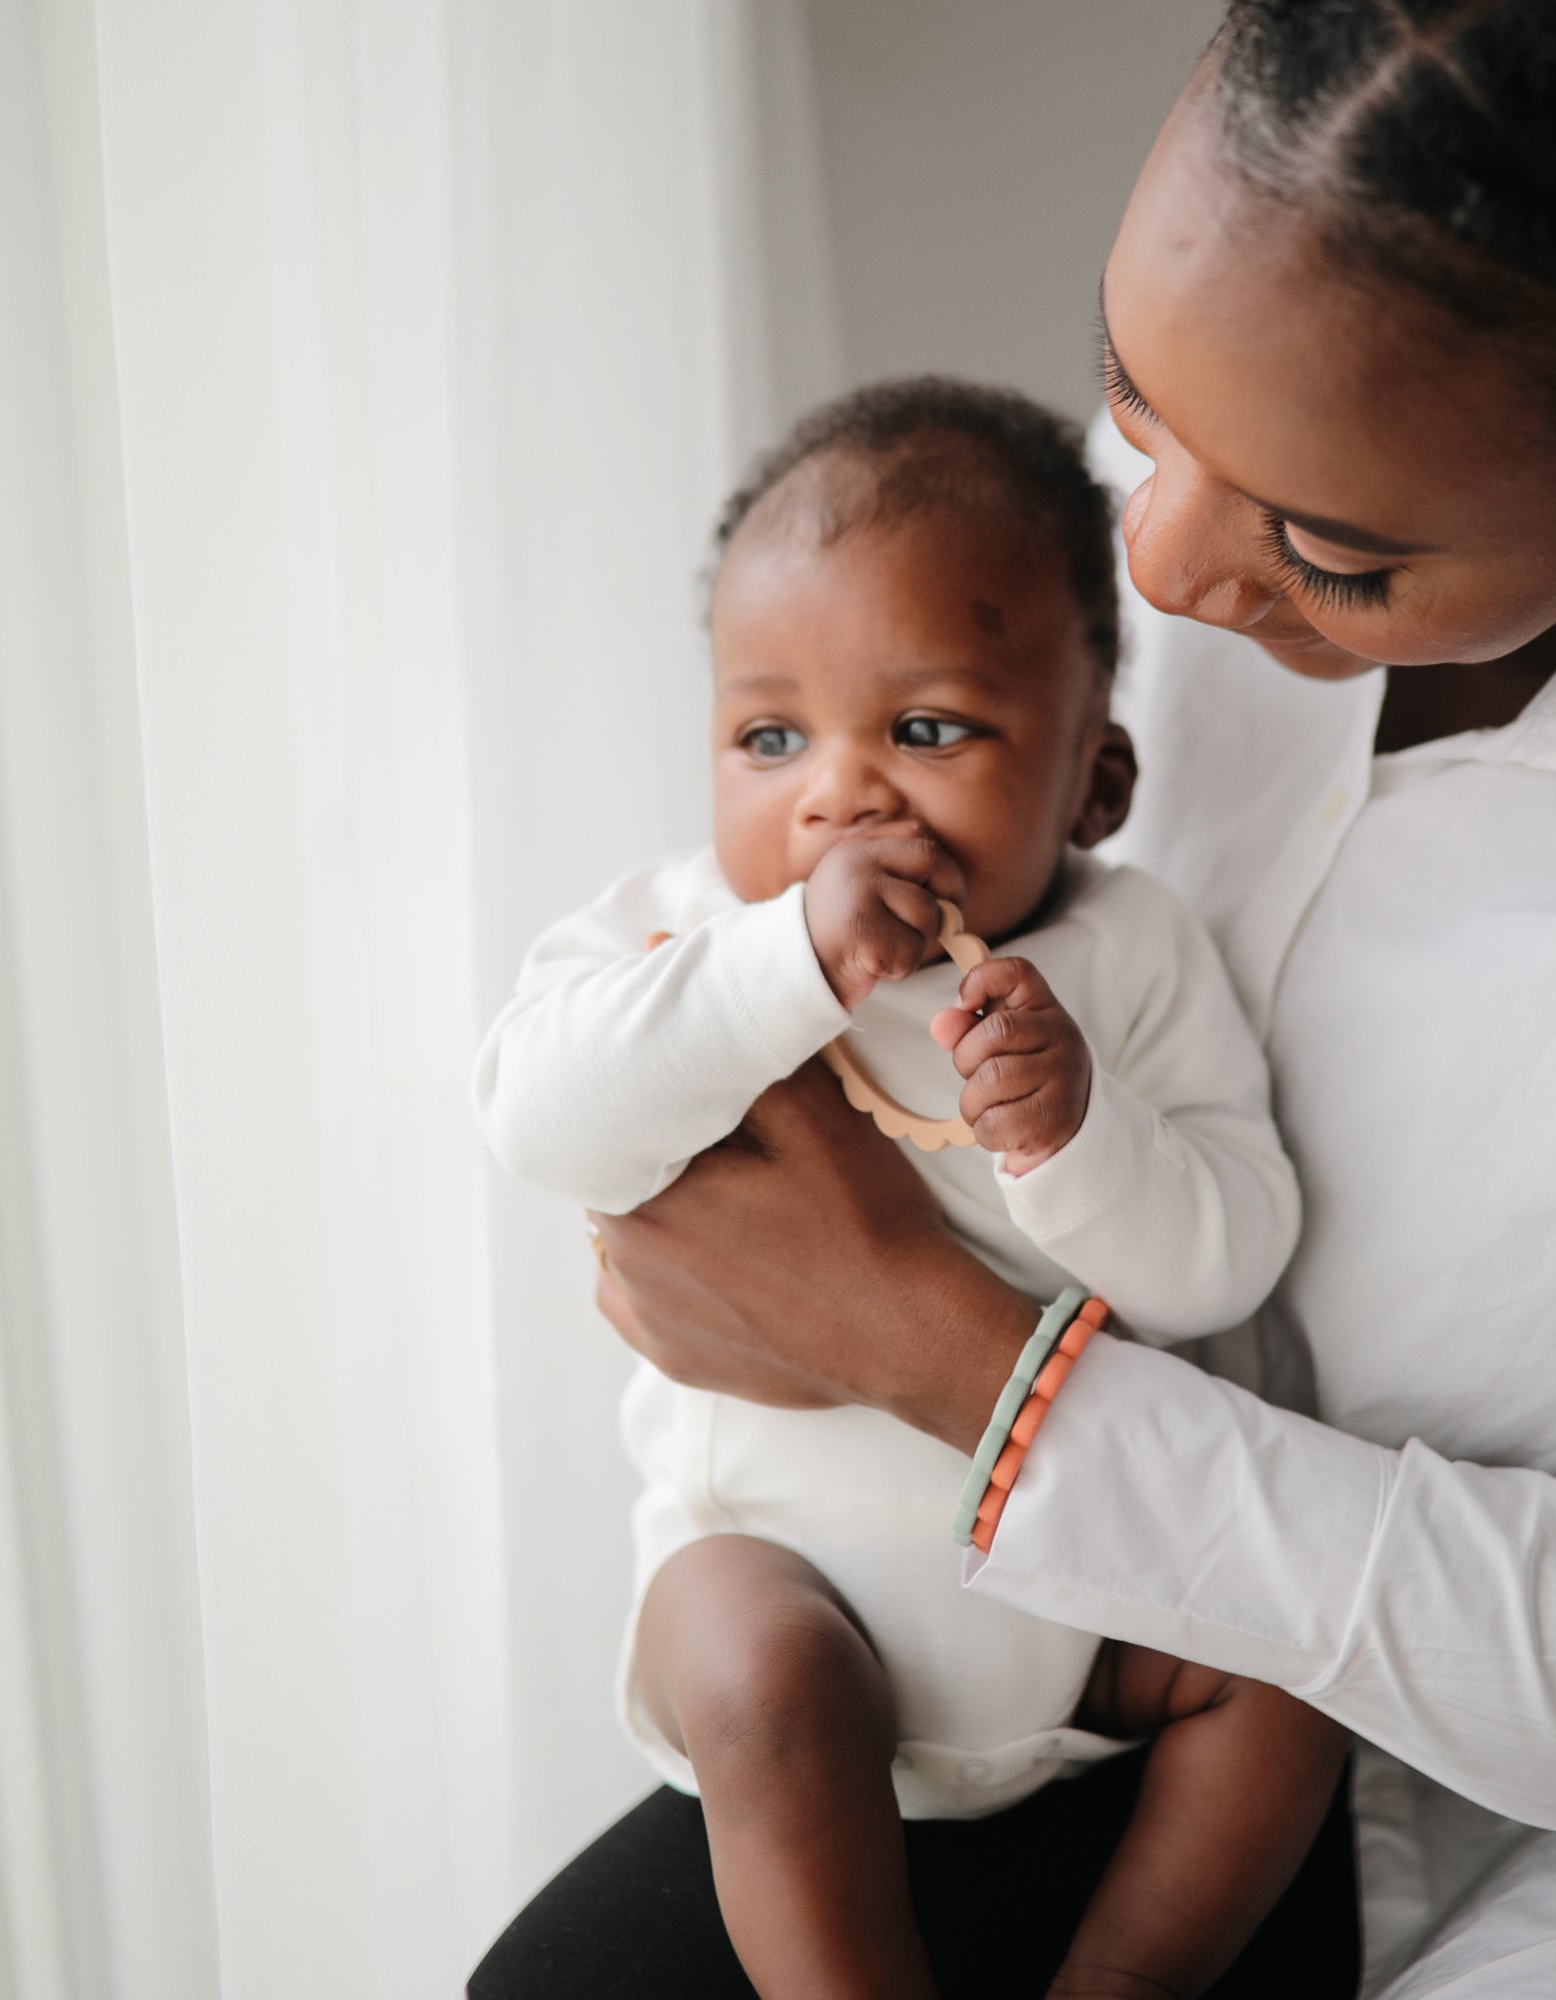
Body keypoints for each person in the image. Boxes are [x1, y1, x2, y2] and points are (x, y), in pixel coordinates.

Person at [475, 3, 1556, 1995]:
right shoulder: (1195, 472)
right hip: (979, 1648)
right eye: (1133, 401)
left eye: (1328, 552)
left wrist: (944, 1352)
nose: (1155, 570)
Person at [472, 380, 1353, 1999]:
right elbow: (539, 1119)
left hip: (1093, 1614)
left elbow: (1229, 1255)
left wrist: (1076, 1142)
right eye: (770, 737)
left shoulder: (1131, 957)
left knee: (1303, 1676)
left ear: (1093, 782)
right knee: (754, 1675)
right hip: (787, 1587)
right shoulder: (678, 943)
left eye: (927, 729)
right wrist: (781, 964)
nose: (840, 796)